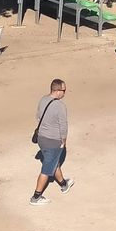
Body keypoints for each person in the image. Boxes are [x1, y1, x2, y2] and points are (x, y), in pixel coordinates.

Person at [30, 78, 73, 206]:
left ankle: (64, 184)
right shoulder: (60, 106)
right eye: (64, 90)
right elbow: (63, 126)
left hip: (41, 139)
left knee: (53, 163)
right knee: (47, 169)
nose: (65, 93)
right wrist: (63, 141)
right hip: (53, 141)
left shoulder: (43, 99)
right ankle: (36, 197)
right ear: (58, 91)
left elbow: (38, 117)